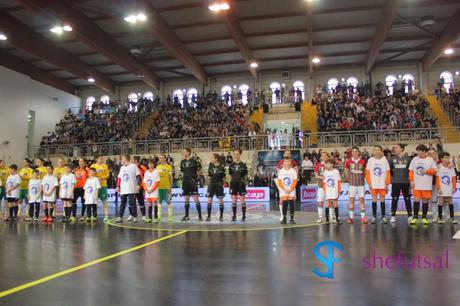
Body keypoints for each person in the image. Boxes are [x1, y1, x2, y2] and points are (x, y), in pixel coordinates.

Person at [409, 144, 438, 225]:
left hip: (427, 185)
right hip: (416, 185)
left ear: (424, 151)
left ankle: (424, 217)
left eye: (419, 151)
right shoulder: (414, 159)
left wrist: (427, 171)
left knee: (425, 201)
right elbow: (411, 171)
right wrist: (411, 181)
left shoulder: (430, 160)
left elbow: (435, 170)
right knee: (416, 200)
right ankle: (415, 217)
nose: (418, 152)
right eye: (417, 151)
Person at [366, 145, 391, 224]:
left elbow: (388, 173)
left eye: (378, 150)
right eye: (375, 150)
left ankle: (383, 217)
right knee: (373, 200)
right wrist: (369, 183)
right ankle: (374, 217)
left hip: (382, 184)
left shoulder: (384, 160)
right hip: (373, 184)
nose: (376, 151)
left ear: (381, 151)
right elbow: (367, 173)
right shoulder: (370, 160)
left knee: (382, 200)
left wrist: (387, 183)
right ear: (373, 151)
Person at [389, 144, 413, 224]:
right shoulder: (391, 159)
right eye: (394, 147)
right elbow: (390, 171)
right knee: (394, 199)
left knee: (407, 199)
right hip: (396, 182)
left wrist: (411, 181)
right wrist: (393, 179)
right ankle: (393, 216)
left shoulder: (408, 159)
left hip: (406, 182)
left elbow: (411, 171)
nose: (394, 149)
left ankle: (410, 216)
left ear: (402, 149)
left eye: (396, 147)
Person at [344, 147, 368, 224]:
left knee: (361, 200)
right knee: (351, 200)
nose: (355, 153)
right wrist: (349, 180)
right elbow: (346, 172)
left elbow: (364, 172)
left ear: (358, 152)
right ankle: (351, 218)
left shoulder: (363, 161)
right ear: (352, 153)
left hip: (361, 184)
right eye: (353, 151)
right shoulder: (348, 161)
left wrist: (362, 178)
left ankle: (363, 217)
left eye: (356, 151)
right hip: (352, 185)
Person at [115, 154, 141, 223]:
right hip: (123, 189)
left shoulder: (133, 166)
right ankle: (120, 217)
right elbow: (119, 178)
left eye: (122, 158)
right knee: (122, 203)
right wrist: (118, 186)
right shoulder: (122, 167)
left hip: (131, 188)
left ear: (126, 159)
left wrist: (138, 184)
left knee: (132, 203)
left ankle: (135, 217)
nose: (121, 160)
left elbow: (138, 176)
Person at [180, 148, 202, 221]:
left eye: (184, 151)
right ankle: (187, 216)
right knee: (186, 199)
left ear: (188, 152)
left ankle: (200, 216)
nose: (183, 153)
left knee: (196, 198)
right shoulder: (182, 162)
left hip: (193, 182)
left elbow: (199, 171)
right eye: (183, 152)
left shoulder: (195, 161)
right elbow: (183, 172)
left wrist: (196, 180)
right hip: (185, 182)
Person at [436, 152, 457, 224]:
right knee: (441, 202)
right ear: (441, 159)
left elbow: (454, 178)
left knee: (450, 202)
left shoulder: (451, 167)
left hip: (449, 187)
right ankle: (440, 218)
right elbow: (437, 178)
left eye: (448, 157)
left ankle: (452, 218)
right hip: (442, 188)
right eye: (446, 158)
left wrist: (454, 187)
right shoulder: (439, 167)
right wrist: (438, 188)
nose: (448, 159)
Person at [276, 159, 298, 224]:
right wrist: (284, 189)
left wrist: (291, 188)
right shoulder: (281, 171)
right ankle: (284, 218)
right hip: (284, 190)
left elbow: (295, 180)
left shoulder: (293, 171)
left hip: (291, 190)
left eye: (288, 161)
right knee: (284, 204)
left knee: (291, 204)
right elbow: (279, 181)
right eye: (285, 161)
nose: (287, 162)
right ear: (284, 163)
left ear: (290, 162)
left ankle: (291, 219)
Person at [229, 149, 248, 221]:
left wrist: (244, 183)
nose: (236, 156)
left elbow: (246, 175)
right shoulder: (231, 165)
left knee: (242, 200)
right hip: (233, 183)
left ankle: (243, 216)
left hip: (241, 183)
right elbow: (230, 174)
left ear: (240, 154)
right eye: (235, 154)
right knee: (234, 200)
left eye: (237, 154)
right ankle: (234, 216)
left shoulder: (243, 165)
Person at [206, 154, 226, 222]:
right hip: (211, 185)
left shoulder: (222, 167)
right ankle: (208, 217)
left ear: (216, 159)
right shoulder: (210, 165)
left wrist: (222, 184)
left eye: (212, 158)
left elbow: (224, 177)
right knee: (209, 201)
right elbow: (209, 175)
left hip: (219, 185)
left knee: (220, 201)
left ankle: (221, 216)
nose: (211, 159)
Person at [91, 156, 110, 222]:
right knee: (94, 201)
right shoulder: (93, 166)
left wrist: (102, 178)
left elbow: (108, 175)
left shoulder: (105, 166)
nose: (102, 160)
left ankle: (106, 216)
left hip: (103, 185)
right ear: (96, 159)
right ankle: (94, 216)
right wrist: (96, 177)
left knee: (104, 201)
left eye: (102, 158)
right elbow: (91, 174)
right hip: (95, 186)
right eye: (100, 159)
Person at [322, 159, 342, 224]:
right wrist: (324, 190)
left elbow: (339, 181)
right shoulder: (325, 172)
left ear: (332, 164)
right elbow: (324, 182)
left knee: (335, 203)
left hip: (334, 190)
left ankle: (337, 219)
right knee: (327, 204)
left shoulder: (336, 171)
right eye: (326, 164)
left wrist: (339, 191)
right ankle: (327, 219)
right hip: (327, 190)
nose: (326, 165)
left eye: (327, 164)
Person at [156, 154, 174, 222]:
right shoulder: (157, 167)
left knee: (169, 202)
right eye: (160, 158)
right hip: (159, 187)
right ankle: (159, 216)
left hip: (167, 187)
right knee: (159, 203)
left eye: (162, 157)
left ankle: (170, 217)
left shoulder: (169, 166)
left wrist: (170, 186)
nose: (161, 159)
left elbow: (171, 177)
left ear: (165, 158)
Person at [314, 151, 329, 223]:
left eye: (325, 155)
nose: (324, 157)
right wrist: (321, 177)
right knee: (320, 202)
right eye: (322, 156)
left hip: (329, 187)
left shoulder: (330, 164)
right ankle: (320, 217)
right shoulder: (318, 165)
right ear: (321, 157)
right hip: (321, 186)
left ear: (327, 156)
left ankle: (331, 216)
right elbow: (316, 175)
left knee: (330, 202)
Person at [133, 156, 148, 222]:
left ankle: (143, 216)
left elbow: (147, 175)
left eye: (133, 160)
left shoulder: (142, 167)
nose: (132, 161)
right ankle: (133, 216)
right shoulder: (132, 167)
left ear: (136, 160)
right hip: (133, 187)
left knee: (141, 201)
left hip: (140, 187)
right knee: (132, 202)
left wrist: (144, 186)